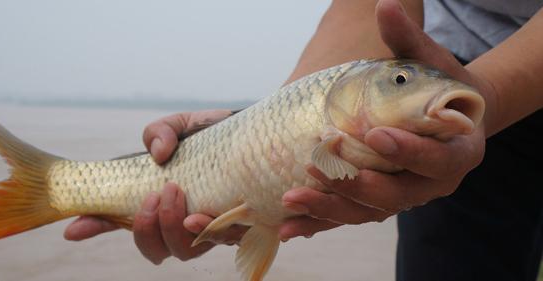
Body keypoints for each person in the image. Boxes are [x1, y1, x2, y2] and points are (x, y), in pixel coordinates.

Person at [64, 0, 543, 280]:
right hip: (450, 77)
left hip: (453, 84)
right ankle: (60, 188)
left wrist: (494, 93)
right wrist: (257, 126)